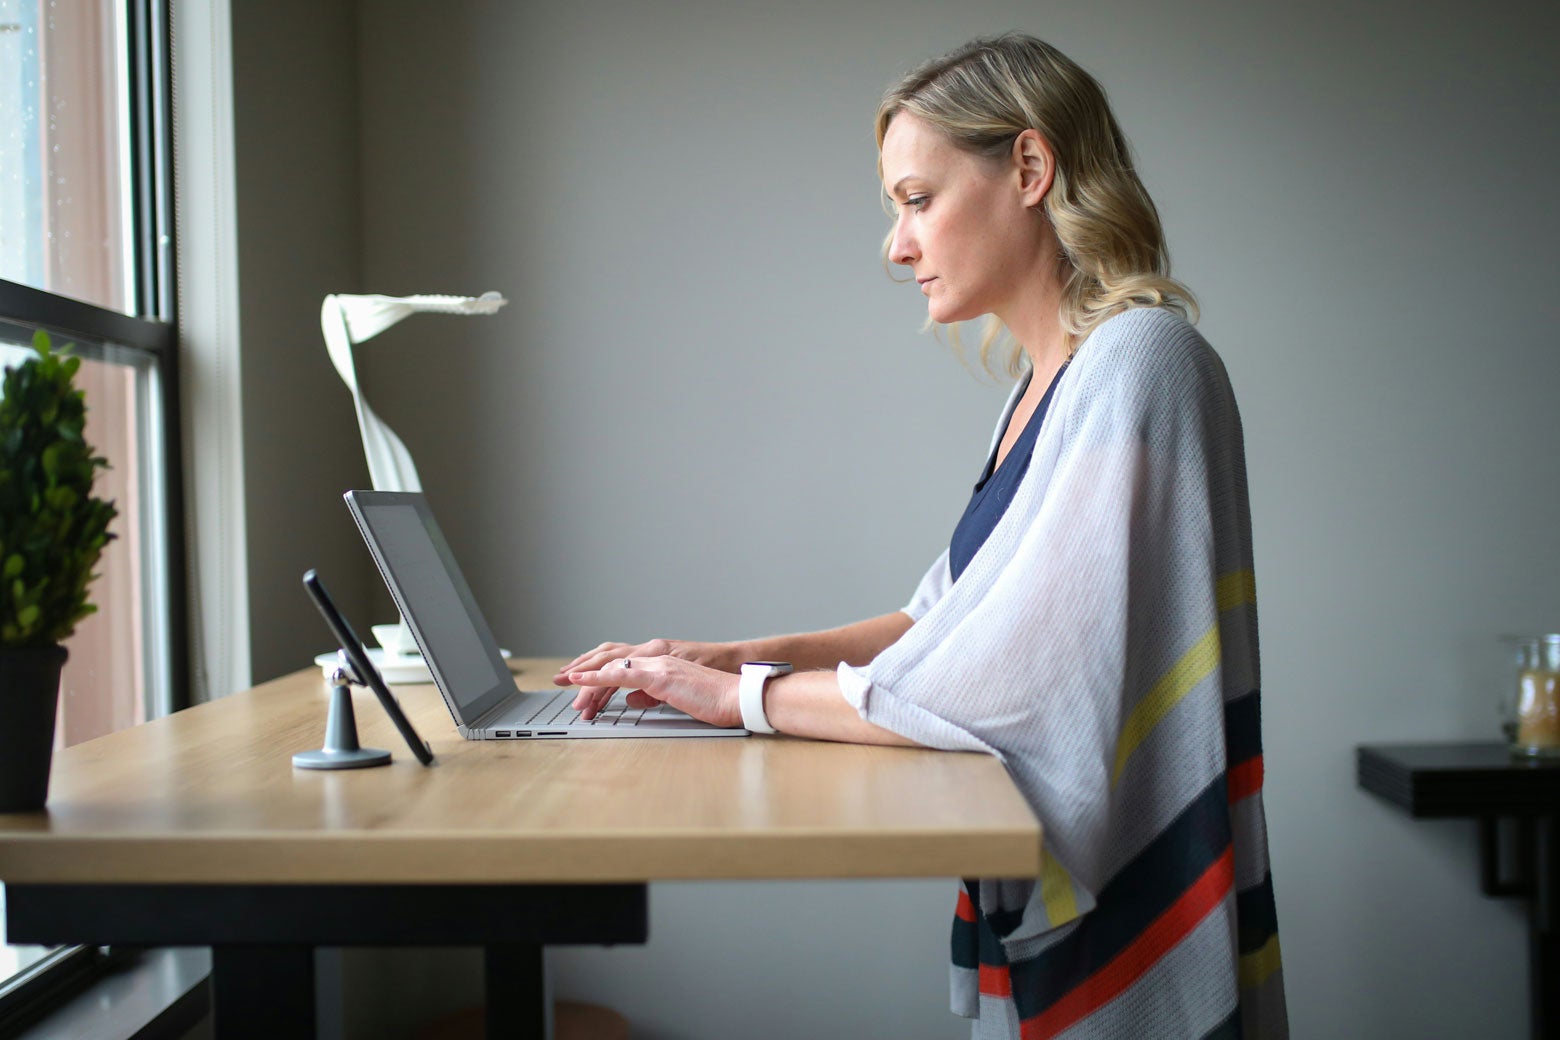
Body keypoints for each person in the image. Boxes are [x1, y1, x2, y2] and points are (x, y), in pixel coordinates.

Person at [556, 32, 1287, 1040]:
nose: (896, 246)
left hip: (1124, 919)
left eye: (916, 199)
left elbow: (1018, 683)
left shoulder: (1141, 361)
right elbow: (937, 624)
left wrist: (744, 700)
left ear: (1030, 168)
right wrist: (723, 657)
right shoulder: (1043, 393)